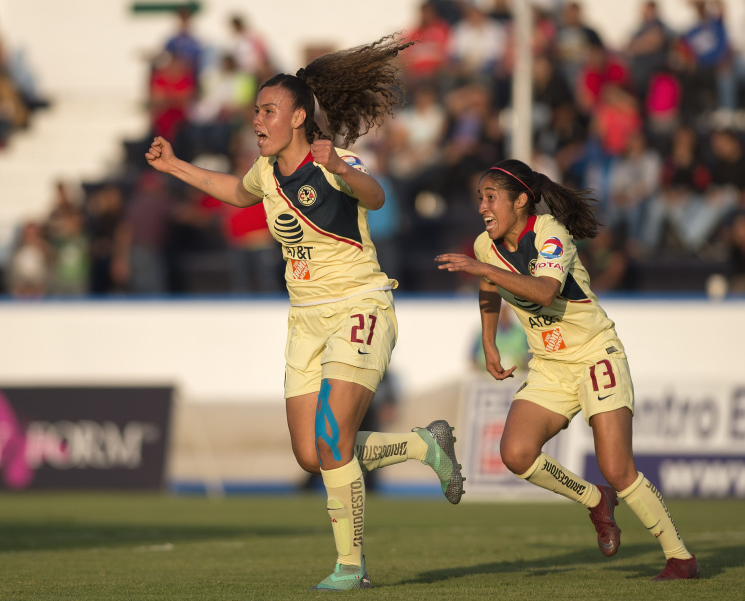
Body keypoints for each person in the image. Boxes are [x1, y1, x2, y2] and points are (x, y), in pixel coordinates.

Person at [146, 34, 464, 591]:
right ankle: (422, 444)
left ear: (298, 116)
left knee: (335, 443)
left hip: (358, 306)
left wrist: (341, 166)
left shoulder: (330, 164)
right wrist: (176, 167)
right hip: (304, 318)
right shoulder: (265, 174)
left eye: (267, 111)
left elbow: (376, 195)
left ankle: (351, 566)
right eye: (254, 113)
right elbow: (235, 192)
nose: (257, 121)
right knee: (310, 454)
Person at [434, 158, 699, 581]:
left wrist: (484, 269)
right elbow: (489, 286)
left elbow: (543, 291)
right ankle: (596, 500)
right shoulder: (487, 246)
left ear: (521, 200)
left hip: (595, 354)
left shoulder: (550, 234)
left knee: (618, 467)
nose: (483, 206)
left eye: (491, 197)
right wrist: (488, 341)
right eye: (479, 198)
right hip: (550, 365)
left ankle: (680, 558)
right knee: (516, 454)